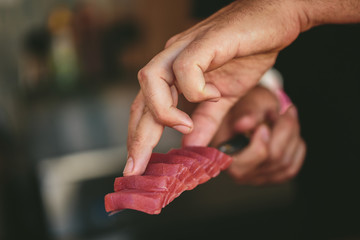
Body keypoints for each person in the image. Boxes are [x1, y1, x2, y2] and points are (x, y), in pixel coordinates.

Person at [124, 0, 360, 182]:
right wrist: (256, 90)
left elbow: (265, 10)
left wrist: (296, 8)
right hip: (325, 174)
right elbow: (212, 22)